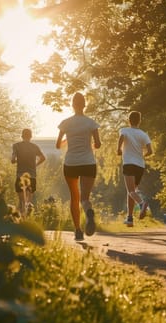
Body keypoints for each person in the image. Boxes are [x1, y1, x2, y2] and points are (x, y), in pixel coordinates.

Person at [56, 92, 101, 241]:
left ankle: (78, 231)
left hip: (71, 163)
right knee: (84, 198)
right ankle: (88, 212)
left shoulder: (65, 123)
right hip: (88, 162)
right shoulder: (91, 123)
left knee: (74, 198)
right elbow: (98, 144)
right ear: (84, 104)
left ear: (73, 105)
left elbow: (58, 145)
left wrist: (69, 141)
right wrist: (89, 145)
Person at [117, 111, 153, 227]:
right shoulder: (143, 134)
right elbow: (150, 151)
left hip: (129, 164)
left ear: (129, 120)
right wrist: (143, 156)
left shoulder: (124, 130)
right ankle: (130, 218)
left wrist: (118, 149)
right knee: (131, 192)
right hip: (140, 166)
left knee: (131, 191)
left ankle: (142, 204)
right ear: (139, 121)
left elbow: (121, 138)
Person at [11, 128, 46, 216]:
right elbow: (43, 158)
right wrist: (35, 165)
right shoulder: (34, 147)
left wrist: (16, 160)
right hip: (32, 176)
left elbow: (12, 159)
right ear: (30, 136)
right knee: (27, 202)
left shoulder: (16, 146)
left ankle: (20, 222)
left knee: (22, 202)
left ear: (22, 136)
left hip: (20, 176)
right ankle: (25, 220)